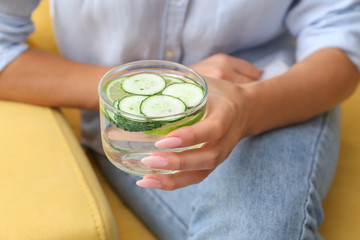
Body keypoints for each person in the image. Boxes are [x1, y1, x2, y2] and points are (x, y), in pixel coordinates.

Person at [1, 0, 360, 239]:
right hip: (130, 134)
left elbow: (339, 35)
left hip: (275, 94)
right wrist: (142, 90)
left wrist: (248, 107)